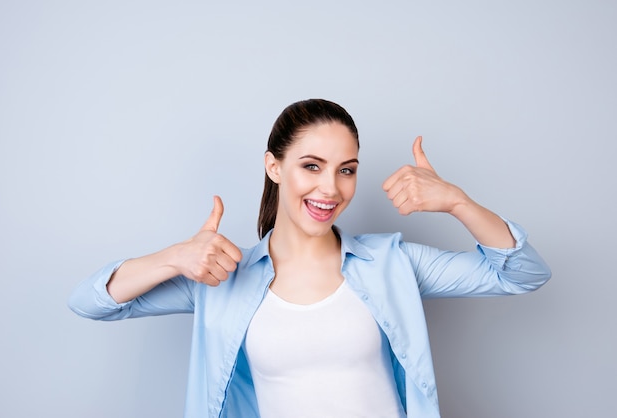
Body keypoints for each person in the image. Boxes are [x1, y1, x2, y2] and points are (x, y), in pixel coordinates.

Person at [68, 98, 551, 418]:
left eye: (347, 170)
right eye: (311, 166)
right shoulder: (221, 277)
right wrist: (176, 257)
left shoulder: (392, 263)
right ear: (273, 166)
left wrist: (457, 202)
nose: (330, 188)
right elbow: (93, 302)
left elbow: (521, 273)